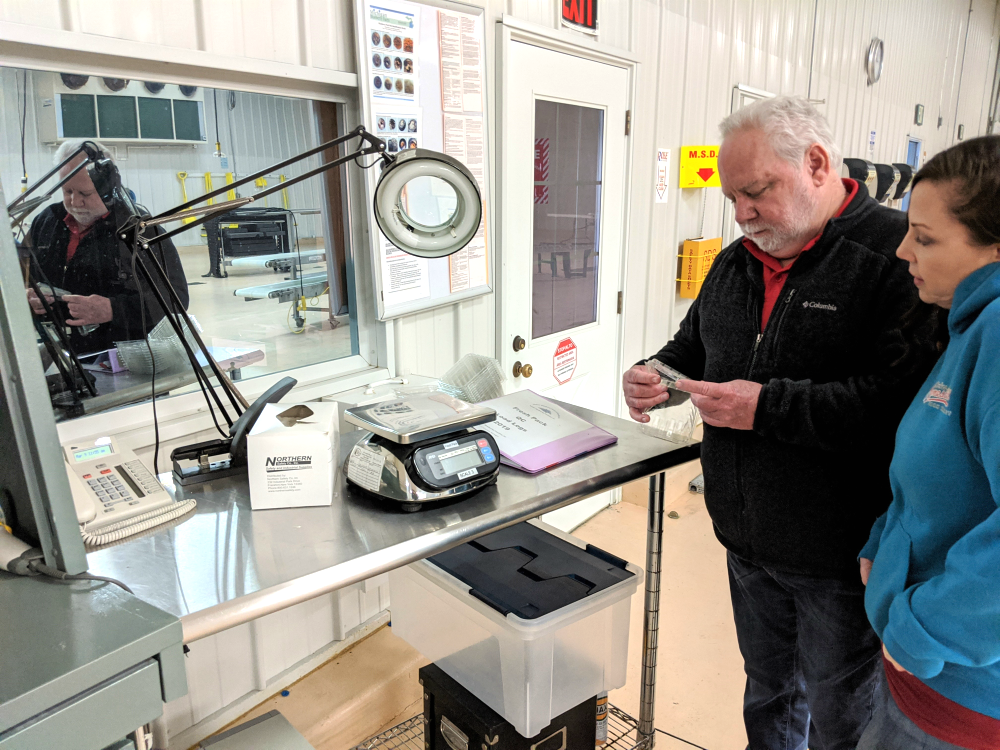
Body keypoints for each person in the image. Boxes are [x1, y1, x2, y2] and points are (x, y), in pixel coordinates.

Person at [622, 96, 935, 750]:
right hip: (745, 540)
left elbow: (899, 405)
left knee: (842, 717)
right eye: (731, 197)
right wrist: (658, 374)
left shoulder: (898, 258)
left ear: (816, 165)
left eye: (755, 192)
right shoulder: (736, 260)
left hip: (840, 556)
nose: (741, 214)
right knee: (767, 693)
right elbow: (693, 347)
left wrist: (765, 408)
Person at [857, 136, 1000, 750]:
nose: (902, 250)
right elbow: (943, 473)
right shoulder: (971, 322)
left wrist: (922, 630)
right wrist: (885, 542)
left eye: (926, 237)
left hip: (963, 697)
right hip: (925, 677)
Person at [23, 139, 189, 357]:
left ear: (108, 189)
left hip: (125, 357)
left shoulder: (139, 230)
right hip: (62, 354)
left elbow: (176, 298)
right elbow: (23, 276)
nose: (75, 202)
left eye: (85, 194)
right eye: (67, 191)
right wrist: (27, 297)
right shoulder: (46, 221)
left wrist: (112, 309)